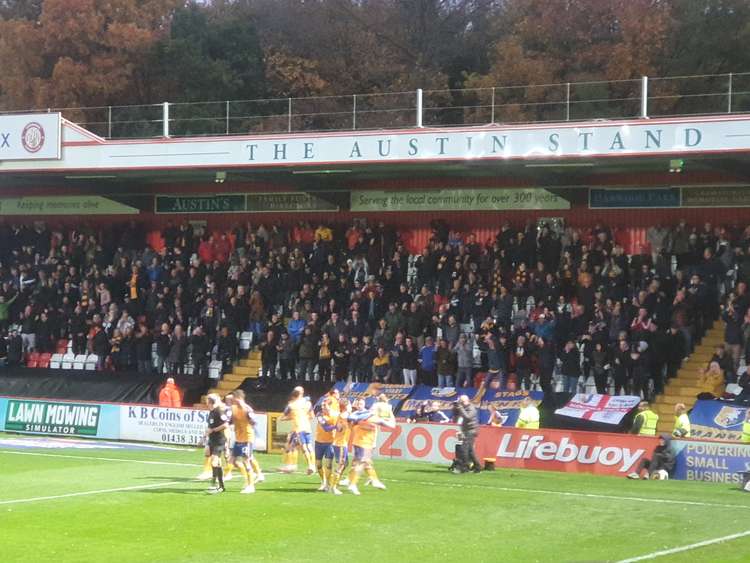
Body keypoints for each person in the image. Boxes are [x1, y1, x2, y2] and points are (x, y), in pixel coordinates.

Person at [346, 397, 394, 495]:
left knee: (365, 462)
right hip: (363, 443)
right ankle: (353, 484)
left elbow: (351, 419)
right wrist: (391, 413)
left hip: (363, 443)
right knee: (361, 463)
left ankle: (374, 480)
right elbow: (392, 425)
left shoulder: (365, 416)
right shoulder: (372, 418)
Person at [280, 386, 315, 474]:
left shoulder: (291, 405)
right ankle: (312, 465)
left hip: (298, 428)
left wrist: (292, 417)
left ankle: (292, 465)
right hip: (307, 427)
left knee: (298, 447)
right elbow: (312, 416)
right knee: (309, 446)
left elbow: (282, 417)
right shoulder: (308, 403)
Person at [229, 389, 257, 494]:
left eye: (234, 399)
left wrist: (248, 420)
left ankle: (251, 486)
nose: (233, 401)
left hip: (247, 439)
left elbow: (254, 422)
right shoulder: (233, 409)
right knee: (234, 461)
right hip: (238, 438)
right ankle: (248, 479)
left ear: (239, 398)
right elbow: (229, 420)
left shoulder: (247, 409)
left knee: (246, 461)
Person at [204, 393, 229, 494]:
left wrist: (214, 430)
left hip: (219, 440)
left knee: (214, 461)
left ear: (210, 401)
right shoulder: (211, 412)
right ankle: (220, 486)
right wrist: (204, 437)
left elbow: (226, 424)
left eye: (207, 400)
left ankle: (214, 484)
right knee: (215, 462)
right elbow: (210, 427)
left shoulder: (219, 411)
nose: (206, 402)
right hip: (212, 440)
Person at [328, 398, 352, 496]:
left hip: (341, 443)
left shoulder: (341, 415)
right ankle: (333, 487)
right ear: (346, 406)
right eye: (350, 404)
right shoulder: (345, 417)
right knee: (341, 465)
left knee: (345, 463)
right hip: (340, 444)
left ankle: (335, 484)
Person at [314, 399, 338, 492]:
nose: (323, 407)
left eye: (325, 406)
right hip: (319, 442)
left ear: (330, 406)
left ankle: (327, 483)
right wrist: (336, 427)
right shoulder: (319, 415)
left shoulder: (336, 415)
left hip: (330, 442)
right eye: (322, 405)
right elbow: (326, 428)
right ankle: (323, 481)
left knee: (328, 464)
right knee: (318, 464)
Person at [453, 394, 481, 473]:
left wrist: (460, 407)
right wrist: (455, 408)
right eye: (460, 401)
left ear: (467, 401)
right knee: (470, 451)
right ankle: (478, 467)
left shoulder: (471, 408)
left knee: (464, 449)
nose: (461, 403)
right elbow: (455, 419)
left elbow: (467, 417)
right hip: (466, 430)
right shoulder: (463, 408)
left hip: (471, 430)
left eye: (462, 401)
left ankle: (464, 467)